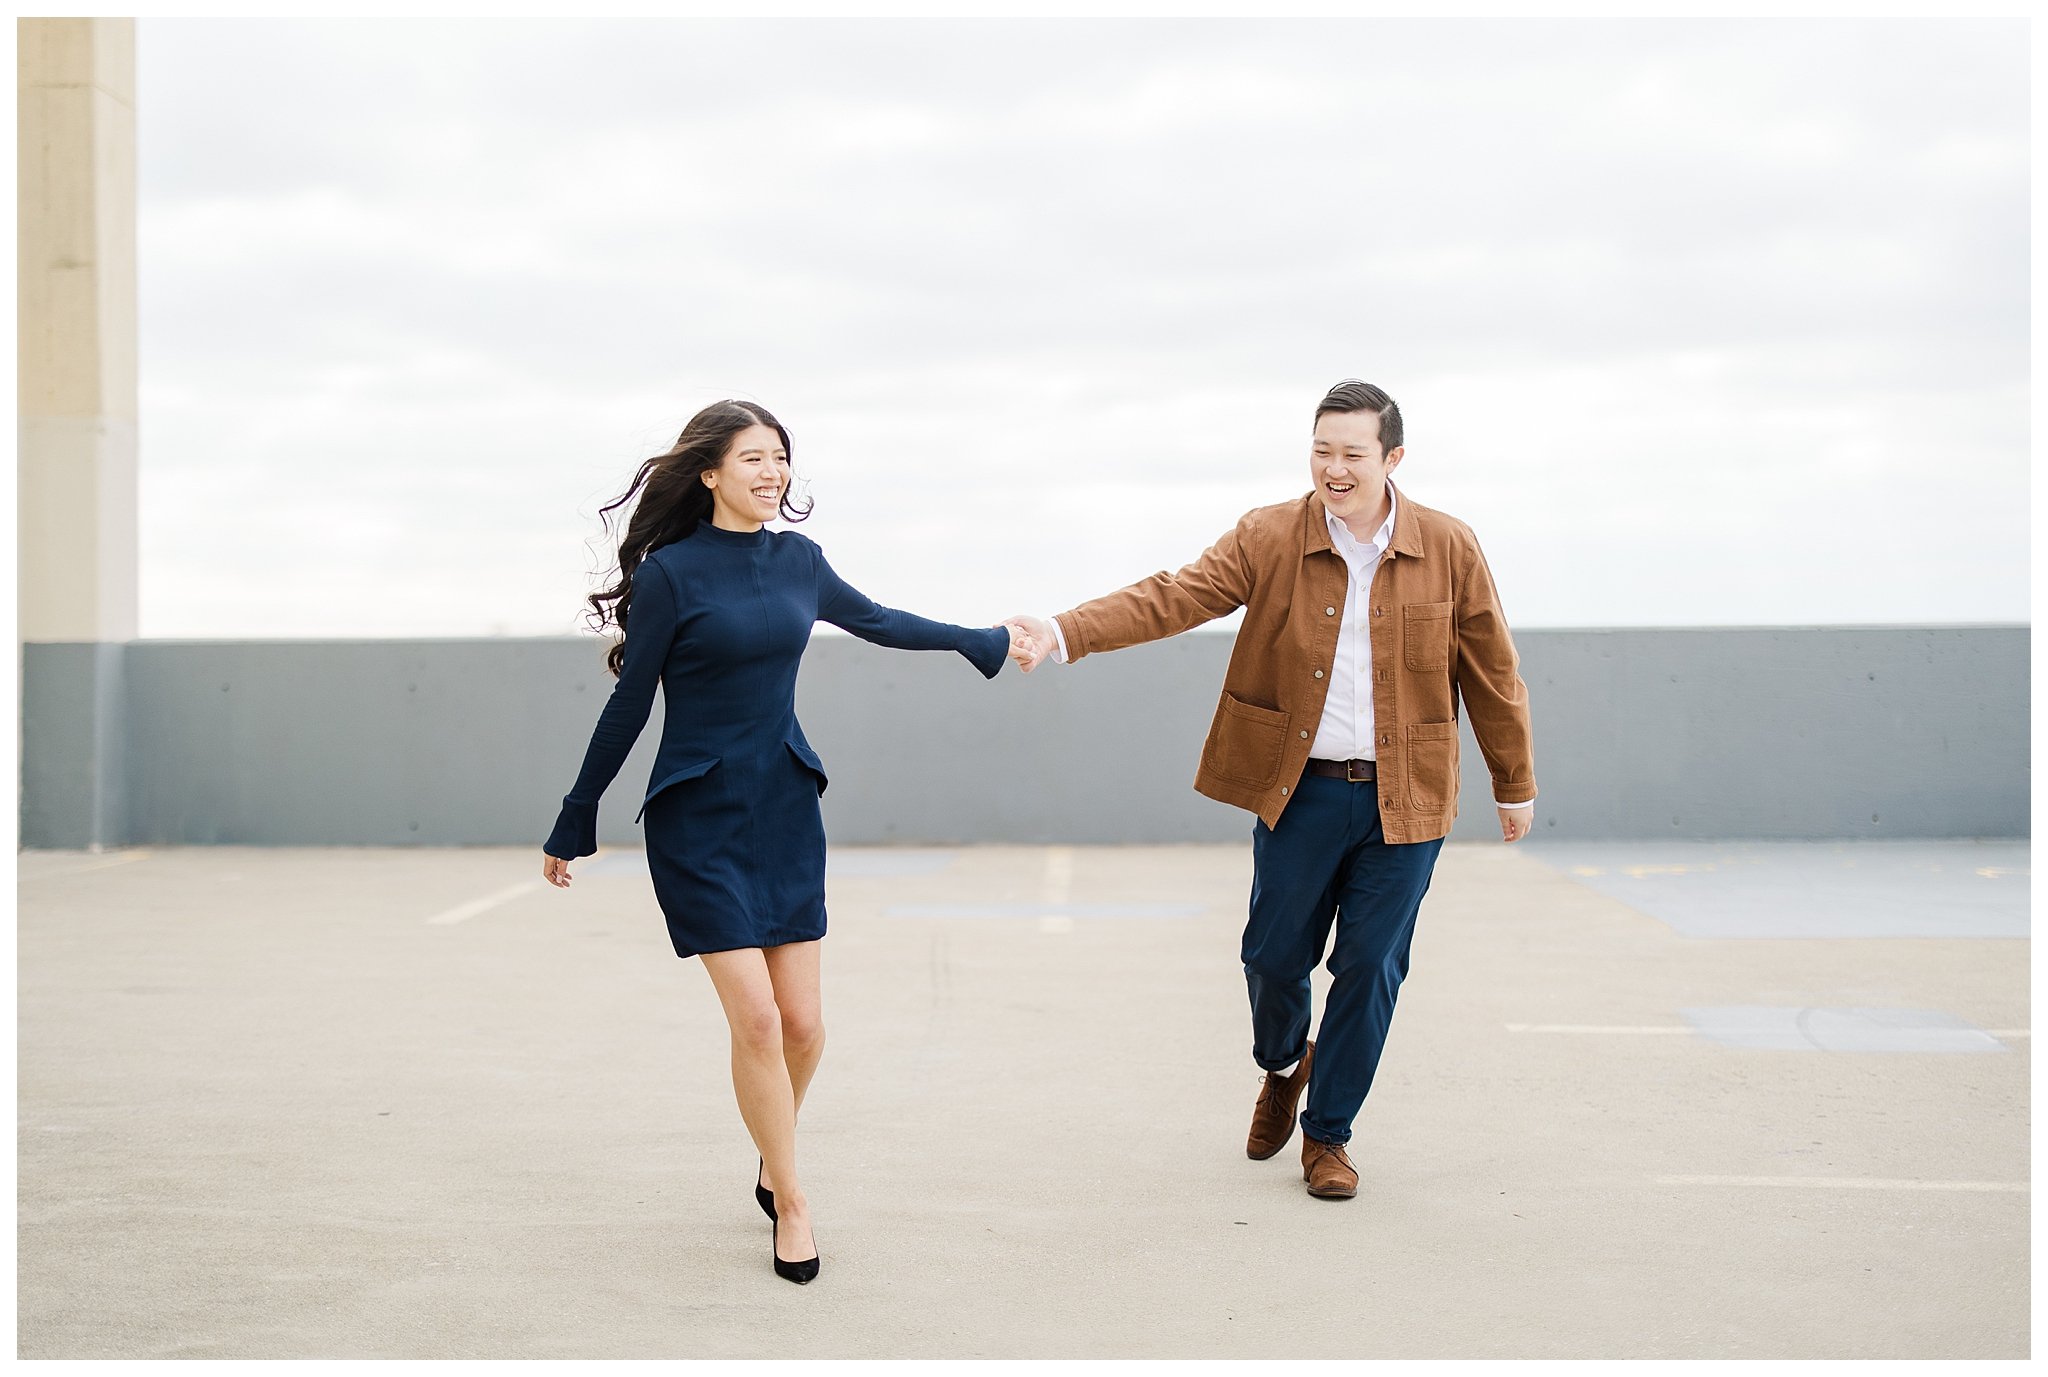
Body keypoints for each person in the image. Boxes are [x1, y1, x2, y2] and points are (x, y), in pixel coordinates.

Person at [1004, 379, 1535, 1201]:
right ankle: (1284, 1065)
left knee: (1371, 965)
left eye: (1353, 453)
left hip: (1409, 794)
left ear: (1392, 458)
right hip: (1302, 792)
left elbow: (1492, 670)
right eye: (1322, 450)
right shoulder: (1270, 535)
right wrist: (1067, 630)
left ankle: (1328, 1137)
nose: (1335, 468)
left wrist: (1514, 780)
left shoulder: (1450, 546)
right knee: (1272, 957)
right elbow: (1174, 595)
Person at [540, 400, 1031, 1282]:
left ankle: (772, 1154)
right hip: (698, 816)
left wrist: (980, 639)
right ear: (709, 473)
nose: (773, 473)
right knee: (757, 1018)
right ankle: (794, 1199)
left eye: (781, 458)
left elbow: (877, 619)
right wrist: (579, 812)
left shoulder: (799, 559)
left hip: (783, 804)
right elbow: (630, 701)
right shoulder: (671, 575)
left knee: (804, 1025)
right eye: (755, 458)